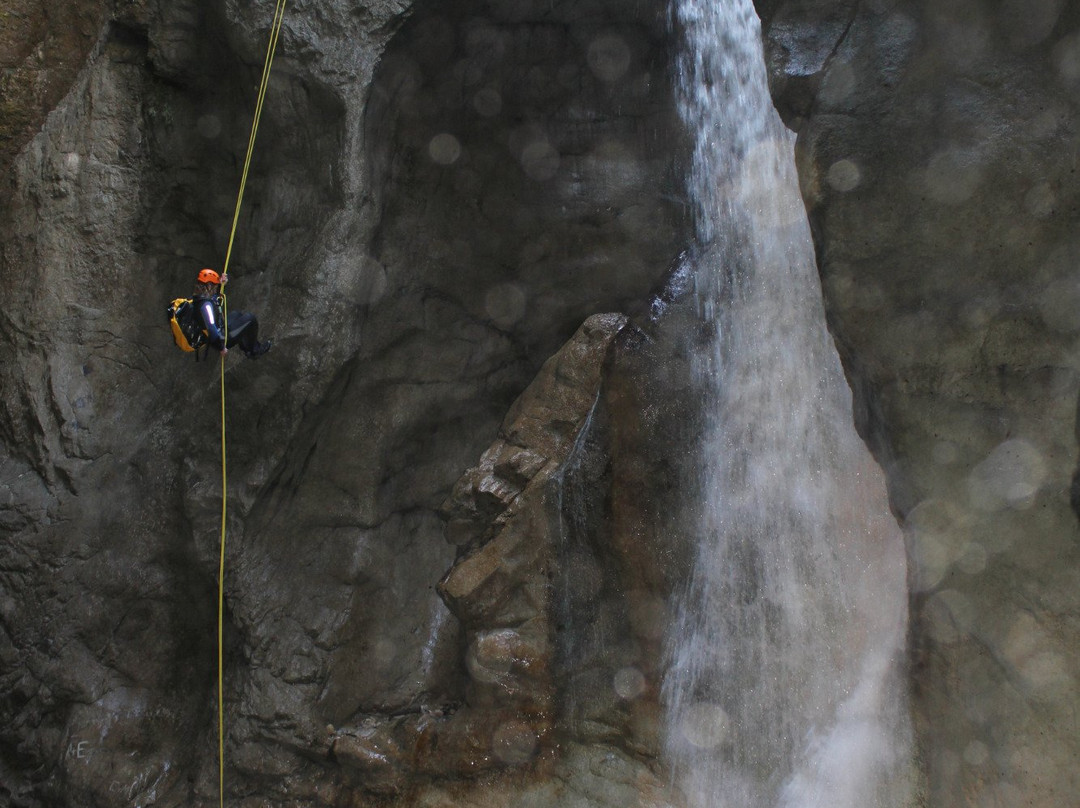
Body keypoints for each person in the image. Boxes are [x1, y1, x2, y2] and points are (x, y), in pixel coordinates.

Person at [192, 268, 271, 358]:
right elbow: (211, 328)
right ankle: (254, 351)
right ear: (209, 286)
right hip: (222, 339)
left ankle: (246, 347)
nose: (216, 288)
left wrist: (222, 283)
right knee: (250, 319)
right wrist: (221, 348)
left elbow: (214, 298)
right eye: (215, 286)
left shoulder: (198, 298)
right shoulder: (205, 306)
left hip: (220, 330)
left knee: (236, 314)